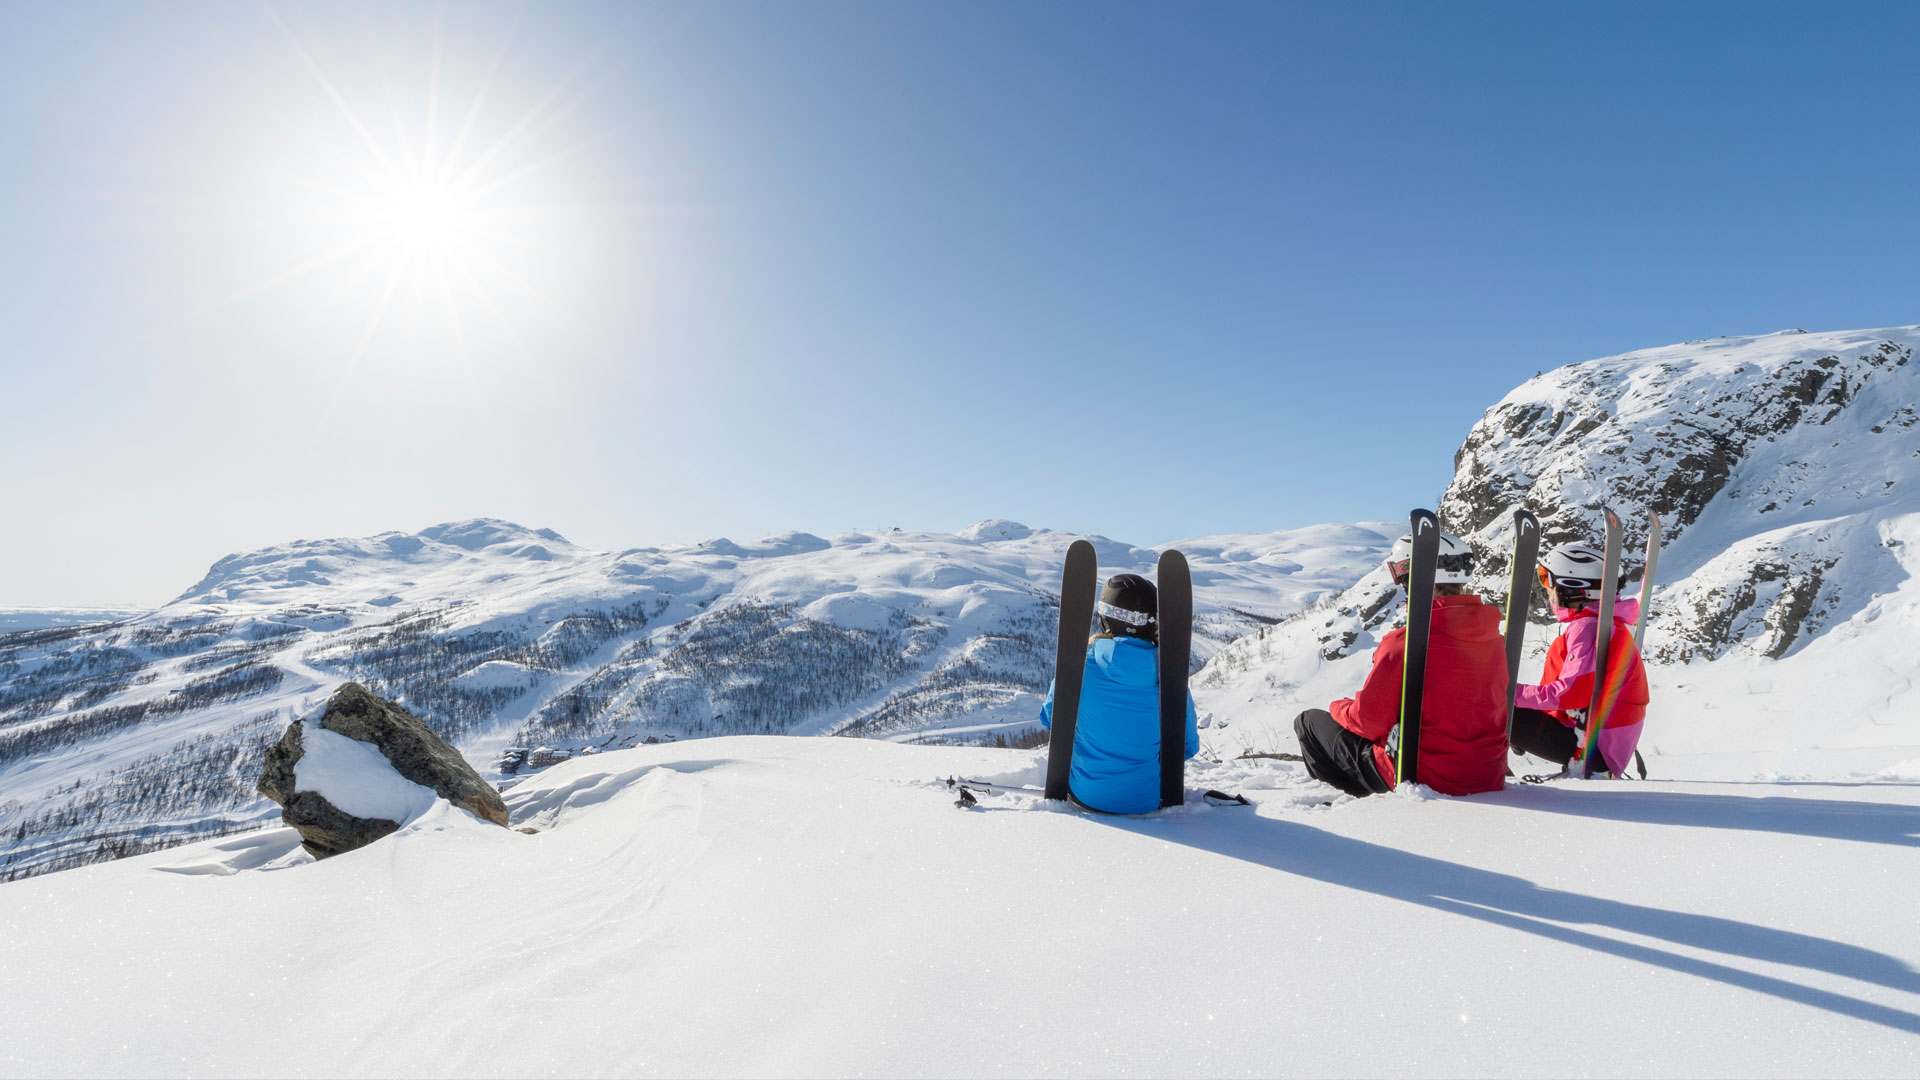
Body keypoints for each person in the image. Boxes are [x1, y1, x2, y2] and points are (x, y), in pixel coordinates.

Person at [1293, 530, 1510, 797]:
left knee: (1308, 722)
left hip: (1422, 777)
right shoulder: (1494, 639)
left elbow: (1369, 723)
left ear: (1418, 579)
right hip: (1487, 775)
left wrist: (1338, 707)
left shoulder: (1404, 642)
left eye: (1405, 579)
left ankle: (1352, 803)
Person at [1039, 573, 1198, 814]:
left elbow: (1051, 719)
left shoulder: (1079, 668)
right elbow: (1186, 747)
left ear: (1105, 617)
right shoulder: (1170, 680)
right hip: (1147, 800)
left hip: (1084, 795)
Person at [1508, 543, 1650, 777]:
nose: (1547, 589)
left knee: (1491, 703)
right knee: (1505, 707)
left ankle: (1476, 774)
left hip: (1594, 753)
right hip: (1602, 745)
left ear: (1573, 586)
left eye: (1548, 580)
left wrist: (1507, 692)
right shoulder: (1605, 625)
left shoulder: (1588, 629)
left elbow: (1570, 694)